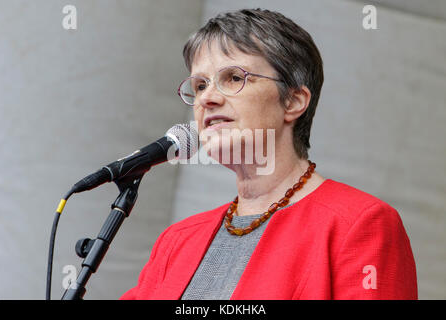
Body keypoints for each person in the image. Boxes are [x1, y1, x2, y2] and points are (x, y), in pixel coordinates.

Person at [120, 8, 417, 300]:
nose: (207, 98)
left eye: (234, 78)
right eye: (200, 85)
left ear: (293, 101)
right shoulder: (177, 241)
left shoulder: (359, 224)